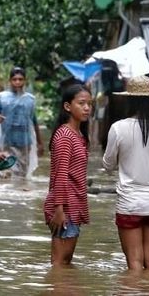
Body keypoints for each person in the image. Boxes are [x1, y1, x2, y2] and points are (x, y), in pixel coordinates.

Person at [102, 76, 149, 270]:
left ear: (130, 100)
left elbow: (108, 165)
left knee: (134, 263)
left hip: (129, 203)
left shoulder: (118, 128)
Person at [43, 84, 92, 266]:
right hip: (64, 207)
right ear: (67, 106)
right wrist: (59, 210)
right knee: (60, 263)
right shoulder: (65, 135)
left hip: (73, 204)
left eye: (89, 104)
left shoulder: (78, 134)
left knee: (65, 262)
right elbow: (61, 175)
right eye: (81, 103)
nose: (87, 108)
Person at [0, 67, 44, 179]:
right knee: (5, 174)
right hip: (6, 142)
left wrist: (39, 143)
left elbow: (33, 121)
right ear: (10, 80)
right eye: (14, 79)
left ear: (25, 81)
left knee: (21, 176)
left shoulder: (30, 99)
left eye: (20, 79)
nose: (17, 82)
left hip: (24, 143)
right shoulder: (1, 97)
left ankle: (18, 194)